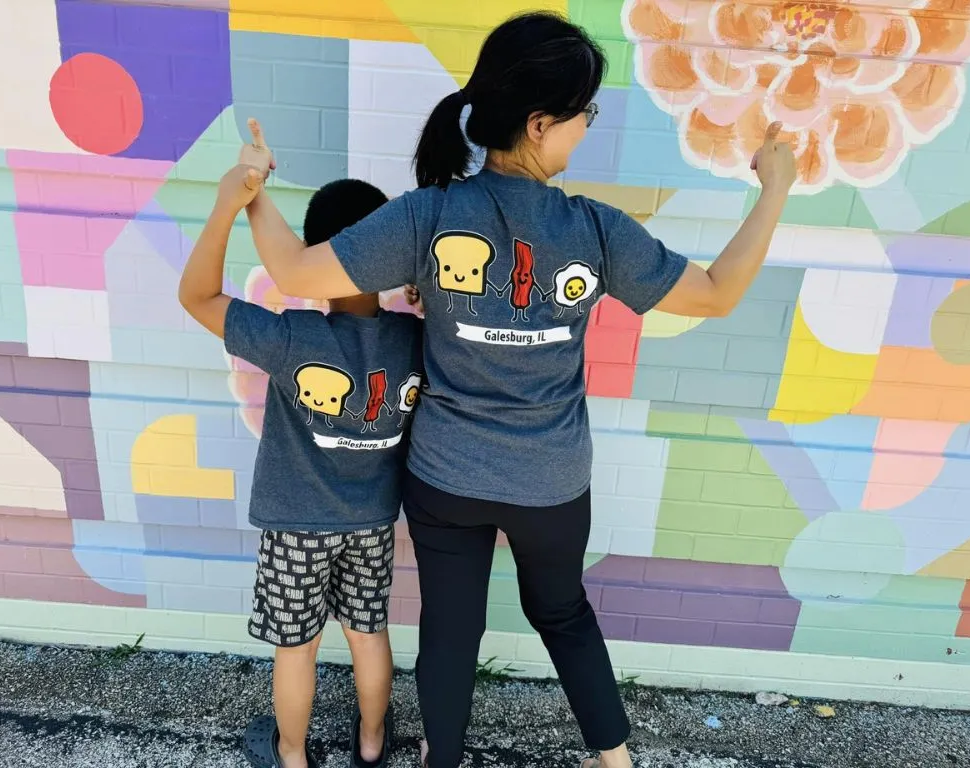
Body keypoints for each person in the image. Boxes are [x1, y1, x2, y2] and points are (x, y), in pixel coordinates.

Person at [226, 11, 796, 767]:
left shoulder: (429, 215)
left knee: (451, 632)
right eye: (583, 114)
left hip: (446, 479)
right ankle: (615, 761)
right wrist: (776, 189)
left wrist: (256, 192)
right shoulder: (594, 228)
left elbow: (298, 275)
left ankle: (442, 759)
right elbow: (719, 292)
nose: (587, 128)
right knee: (563, 614)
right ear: (538, 123)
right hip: (552, 483)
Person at [178, 170, 425, 768]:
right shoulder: (416, 341)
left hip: (294, 528)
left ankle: (292, 756)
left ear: (311, 256)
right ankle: (370, 744)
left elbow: (198, 296)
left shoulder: (291, 338)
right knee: (369, 634)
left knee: (297, 649)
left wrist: (232, 204)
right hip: (370, 523)